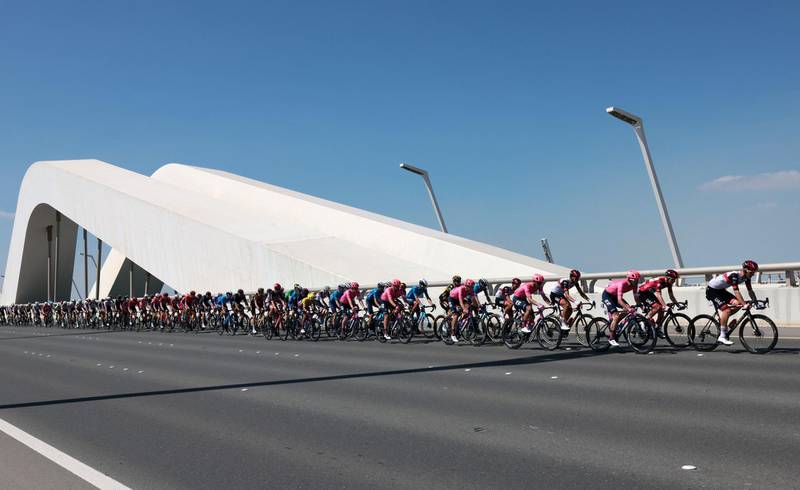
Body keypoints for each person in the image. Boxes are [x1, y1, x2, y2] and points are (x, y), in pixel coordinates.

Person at [706, 260, 759, 345]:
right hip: (712, 291)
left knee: (738, 303)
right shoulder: (734, 276)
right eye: (752, 272)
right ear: (745, 270)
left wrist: (755, 301)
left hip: (721, 291)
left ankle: (723, 321)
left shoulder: (746, 278)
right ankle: (722, 336)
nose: (753, 274)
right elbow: (736, 292)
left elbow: (750, 290)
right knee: (726, 310)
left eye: (754, 273)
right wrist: (745, 304)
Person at [602, 270, 641, 347]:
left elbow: (635, 297)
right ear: (630, 279)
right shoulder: (622, 284)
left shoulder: (634, 285)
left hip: (615, 296)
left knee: (628, 310)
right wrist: (628, 308)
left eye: (637, 280)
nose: (637, 281)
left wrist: (640, 305)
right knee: (616, 315)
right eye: (635, 280)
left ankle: (617, 325)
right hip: (607, 295)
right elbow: (620, 301)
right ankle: (611, 338)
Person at [638, 269, 680, 337]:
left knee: (662, 308)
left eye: (675, 280)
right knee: (658, 306)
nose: (674, 281)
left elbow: (671, 296)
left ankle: (657, 328)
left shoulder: (669, 283)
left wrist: (677, 304)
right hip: (642, 293)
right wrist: (665, 305)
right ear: (668, 278)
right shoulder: (660, 281)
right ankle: (643, 321)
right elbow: (658, 295)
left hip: (650, 292)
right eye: (673, 279)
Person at [448, 279, 478, 343]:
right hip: (452, 299)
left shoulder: (471, 290)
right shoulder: (461, 289)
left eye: (472, 287)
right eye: (470, 287)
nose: (471, 288)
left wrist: (477, 307)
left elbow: (473, 300)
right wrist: (464, 308)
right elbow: (460, 300)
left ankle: (460, 323)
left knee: (468, 309)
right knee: (456, 315)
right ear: (466, 286)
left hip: (459, 299)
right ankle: (453, 333)